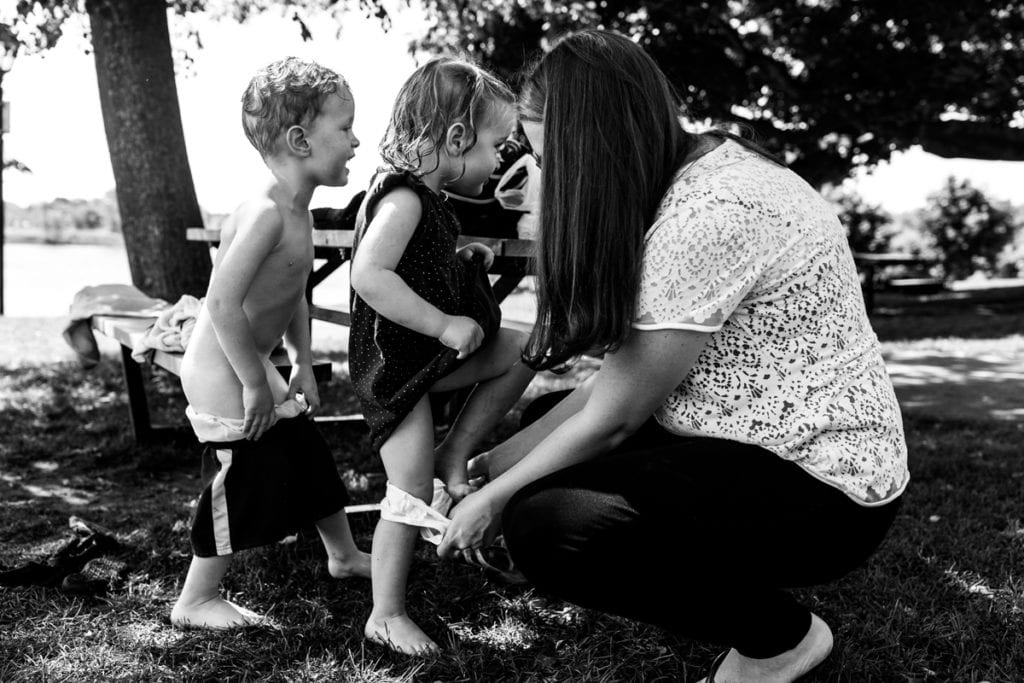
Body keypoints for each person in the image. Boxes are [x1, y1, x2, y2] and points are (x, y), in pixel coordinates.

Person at [437, 29, 909, 683]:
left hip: (825, 491)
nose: (547, 180)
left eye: (551, 160)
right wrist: (490, 468)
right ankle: (543, 526)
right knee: (543, 431)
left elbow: (615, 419)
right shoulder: (703, 166)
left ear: (595, 147)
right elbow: (615, 389)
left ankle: (783, 641)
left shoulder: (705, 217)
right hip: (753, 441)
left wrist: (495, 501)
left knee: (552, 525)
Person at [170, 57, 371, 630]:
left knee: (305, 451)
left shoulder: (296, 209)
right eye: (347, 126)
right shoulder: (263, 213)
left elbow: (292, 294)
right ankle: (197, 599)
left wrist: (303, 360)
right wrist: (256, 384)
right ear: (301, 139)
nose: (358, 140)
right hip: (222, 369)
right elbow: (220, 304)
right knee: (242, 474)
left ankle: (343, 554)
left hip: (253, 362)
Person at [348, 56, 536, 655]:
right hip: (399, 370)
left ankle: (456, 451)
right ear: (456, 138)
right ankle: (386, 613)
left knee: (525, 345)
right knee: (406, 491)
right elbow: (369, 275)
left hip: (426, 360)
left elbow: (412, 270)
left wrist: (461, 263)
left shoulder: (430, 202)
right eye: (497, 145)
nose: (502, 160)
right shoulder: (403, 201)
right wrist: (443, 321)